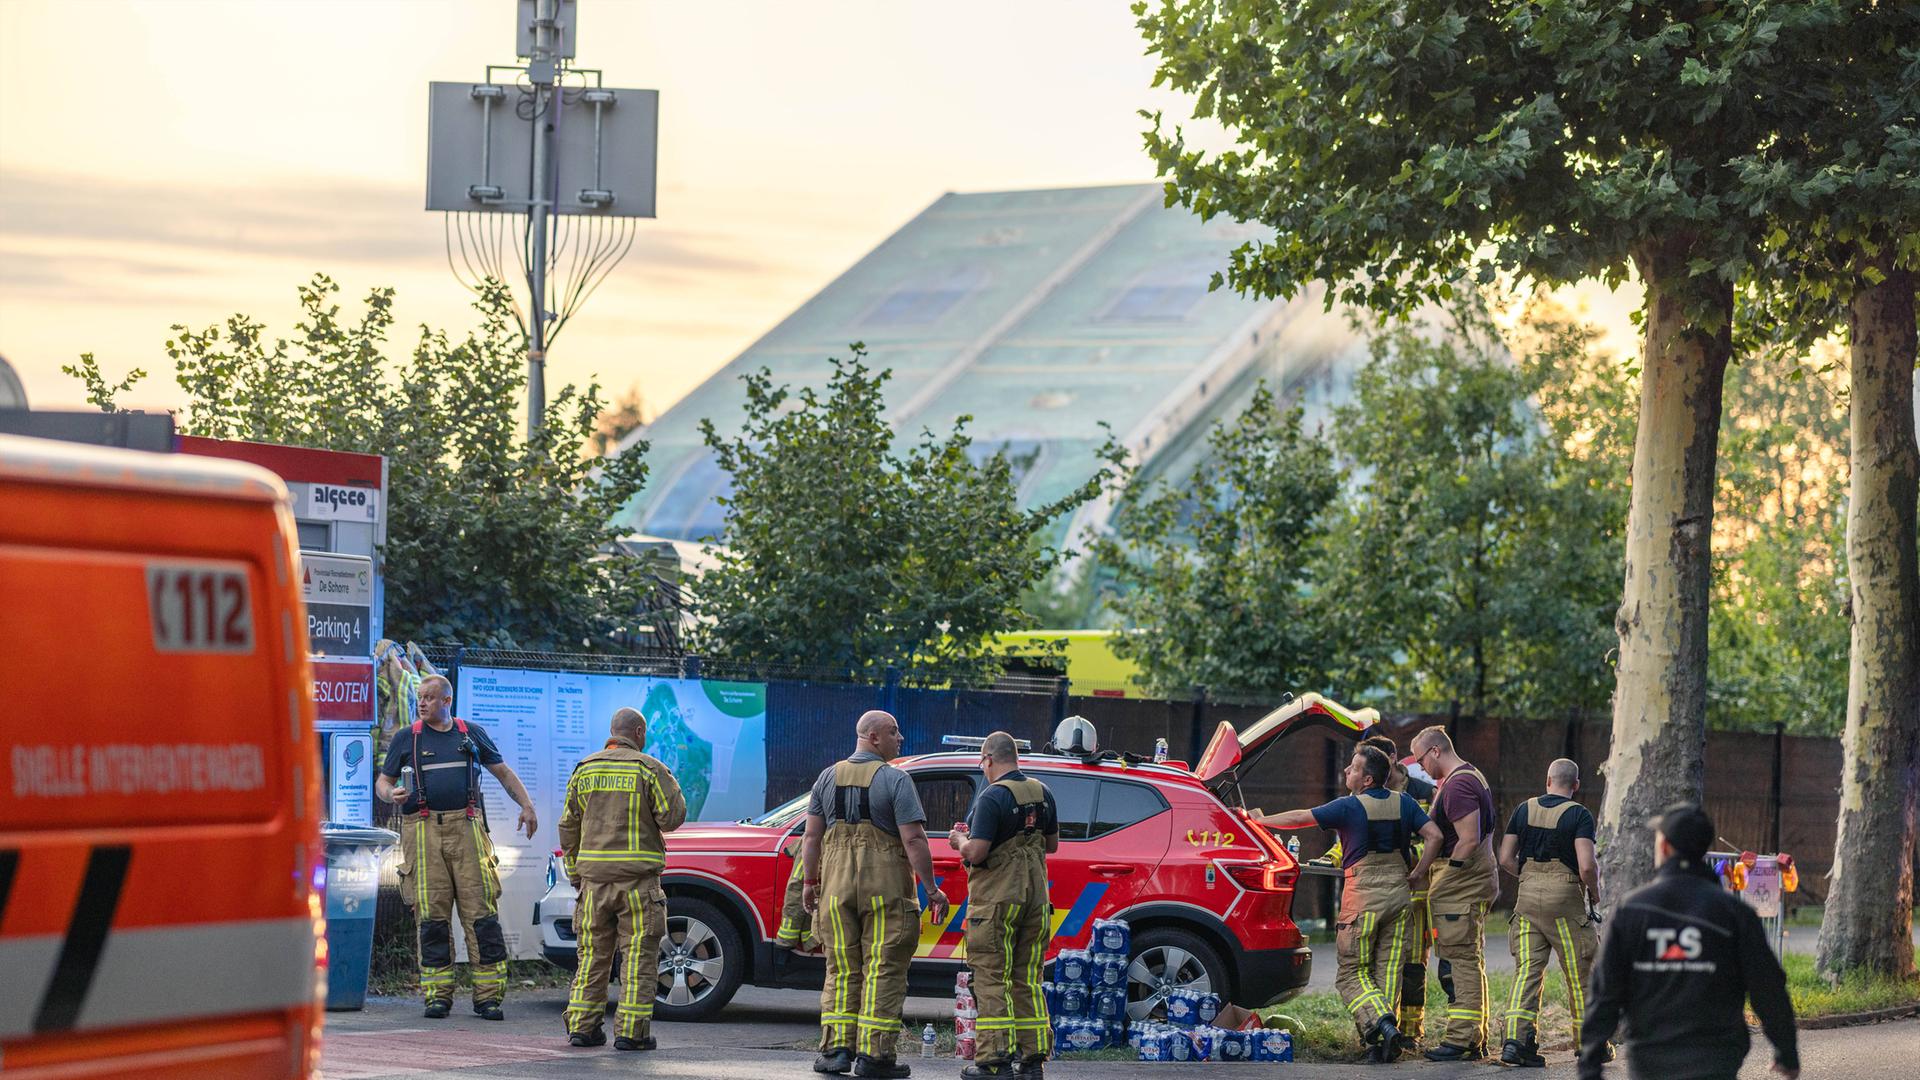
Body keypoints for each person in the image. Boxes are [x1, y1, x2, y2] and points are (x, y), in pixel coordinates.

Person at [1579, 805, 1798, 1080]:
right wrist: (1786, 1051)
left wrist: (1589, 1064)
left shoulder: (1632, 910)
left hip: (1650, 1057)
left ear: (1665, 847)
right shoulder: (1734, 913)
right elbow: (1767, 987)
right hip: (1717, 1058)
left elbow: (1605, 991)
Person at [1260, 744, 1443, 1062]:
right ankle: (1384, 1043)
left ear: (1368, 779)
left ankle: (1379, 1023)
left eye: (1354, 768)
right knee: (1388, 971)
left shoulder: (1349, 807)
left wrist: (1260, 821)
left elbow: (1301, 817)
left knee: (1350, 972)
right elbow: (1435, 836)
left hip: (1364, 897)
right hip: (1400, 896)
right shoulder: (1406, 802)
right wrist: (1418, 872)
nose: (1347, 771)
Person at [376, 675, 538, 1020]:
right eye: (420, 697)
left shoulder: (470, 734)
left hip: (466, 830)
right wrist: (392, 795)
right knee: (432, 918)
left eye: (430, 698)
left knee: (481, 916)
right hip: (421, 832)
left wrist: (527, 805)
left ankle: (488, 998)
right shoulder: (407, 738)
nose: (422, 703)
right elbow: (383, 783)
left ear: (447, 701)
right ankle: (437, 996)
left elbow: (503, 772)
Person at [802, 710, 952, 1078]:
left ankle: (836, 1052)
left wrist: (809, 882)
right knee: (883, 970)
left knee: (841, 970)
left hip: (835, 890)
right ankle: (875, 1058)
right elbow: (914, 839)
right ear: (872, 737)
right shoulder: (896, 780)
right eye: (893, 732)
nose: (899, 738)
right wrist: (932, 889)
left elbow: (811, 837)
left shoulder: (826, 778)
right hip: (885, 892)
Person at [558, 707, 687, 1050]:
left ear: (613, 732)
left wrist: (575, 875)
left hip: (593, 885)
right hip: (638, 885)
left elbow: (568, 827)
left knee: (592, 957)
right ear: (640, 732)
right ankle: (632, 1033)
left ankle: (583, 1029)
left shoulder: (585, 769)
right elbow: (672, 817)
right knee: (639, 958)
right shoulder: (649, 769)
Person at [950, 731, 1060, 1079]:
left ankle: (994, 1062)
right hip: (1036, 901)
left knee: (993, 979)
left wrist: (959, 841)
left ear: (989, 759)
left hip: (997, 904)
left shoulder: (992, 797)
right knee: (1027, 979)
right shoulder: (1043, 793)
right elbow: (1052, 845)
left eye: (982, 763)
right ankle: (1032, 1062)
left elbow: (978, 852)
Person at [1496, 758, 1601, 1067]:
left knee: (1526, 972)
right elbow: (1586, 866)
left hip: (1527, 898)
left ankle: (1515, 1043)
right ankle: (1589, 1044)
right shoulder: (1579, 814)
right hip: (1565, 900)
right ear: (1576, 786)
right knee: (1580, 972)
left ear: (1548, 780)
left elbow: (1504, 858)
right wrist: (1593, 892)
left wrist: (1529, 876)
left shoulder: (1523, 809)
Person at [1408, 725, 1498, 1061]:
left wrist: (1447, 878)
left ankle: (1460, 1041)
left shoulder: (1458, 784)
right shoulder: (1469, 775)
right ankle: (1475, 1037)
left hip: (1462, 881)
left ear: (1435, 751)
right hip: (1473, 878)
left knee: (1459, 960)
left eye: (1421, 760)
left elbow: (1469, 839)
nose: (1421, 768)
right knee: (1469, 958)